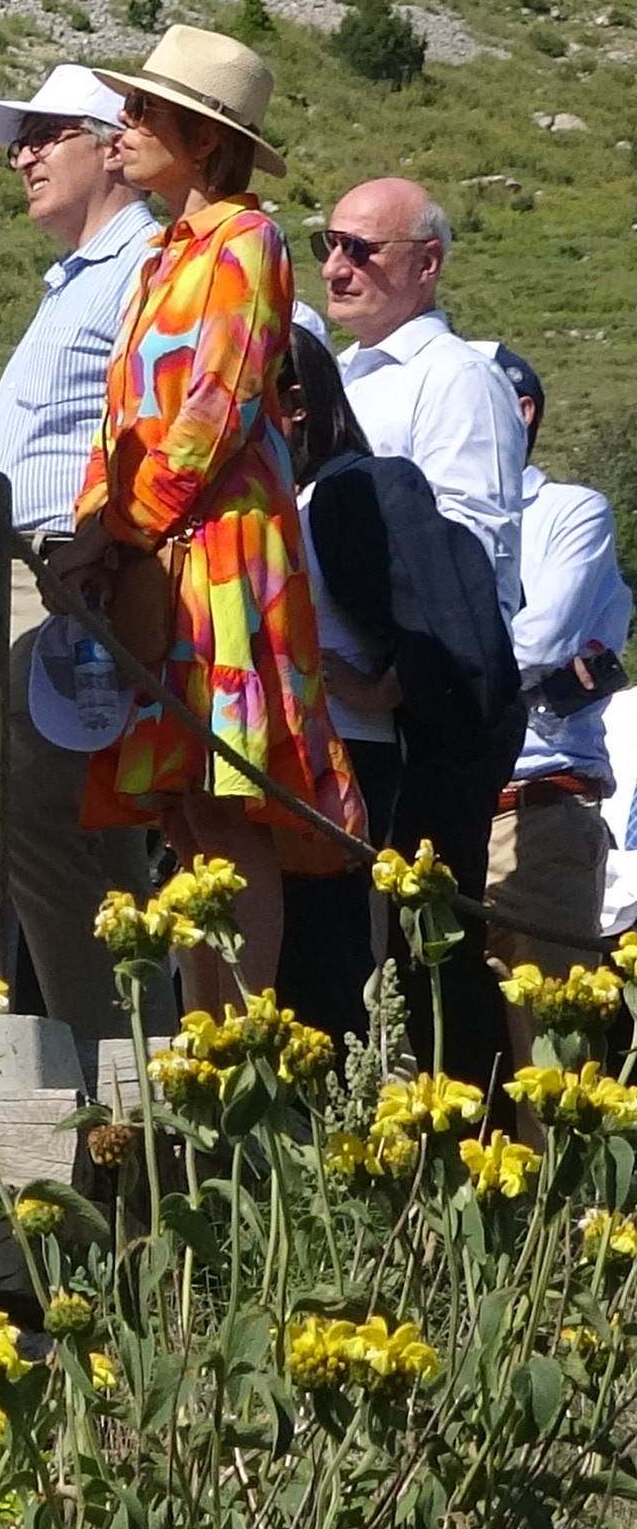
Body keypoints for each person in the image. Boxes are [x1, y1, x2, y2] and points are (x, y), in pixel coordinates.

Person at [48, 28, 358, 1011]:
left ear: (205, 138)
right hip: (163, 556)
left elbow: (212, 414)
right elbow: (123, 421)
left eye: (144, 111)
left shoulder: (246, 242)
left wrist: (118, 530)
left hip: (221, 554)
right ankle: (204, 1033)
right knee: (185, 810)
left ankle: (241, 1032)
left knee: (226, 803)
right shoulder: (161, 261)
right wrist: (98, 527)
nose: (124, 126)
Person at [0, 64, 163, 1047]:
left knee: (64, 827)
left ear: (112, 142)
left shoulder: (146, 266)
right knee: (26, 828)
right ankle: (100, 1073)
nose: (22, 155)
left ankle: (125, 1079)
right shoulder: (81, 279)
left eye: (47, 134)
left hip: (67, 578)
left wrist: (104, 544)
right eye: (20, 140)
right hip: (18, 577)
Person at [283, 329, 512, 1051]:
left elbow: (440, 614)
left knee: (332, 957)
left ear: (293, 403)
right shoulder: (291, 498)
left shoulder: (349, 490)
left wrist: (381, 686)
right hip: (294, 754)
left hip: (351, 756)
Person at [484, 345, 620, 990]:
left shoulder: (571, 511)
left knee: (549, 1042)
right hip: (440, 811)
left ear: (521, 412)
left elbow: (539, 640)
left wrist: (410, 674)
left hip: (534, 811)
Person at [325, 179, 526, 612]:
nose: (333, 269)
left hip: (400, 674)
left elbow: (472, 563)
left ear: (427, 261)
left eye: (359, 249)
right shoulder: (338, 374)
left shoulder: (459, 379)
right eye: (329, 246)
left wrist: (388, 682)